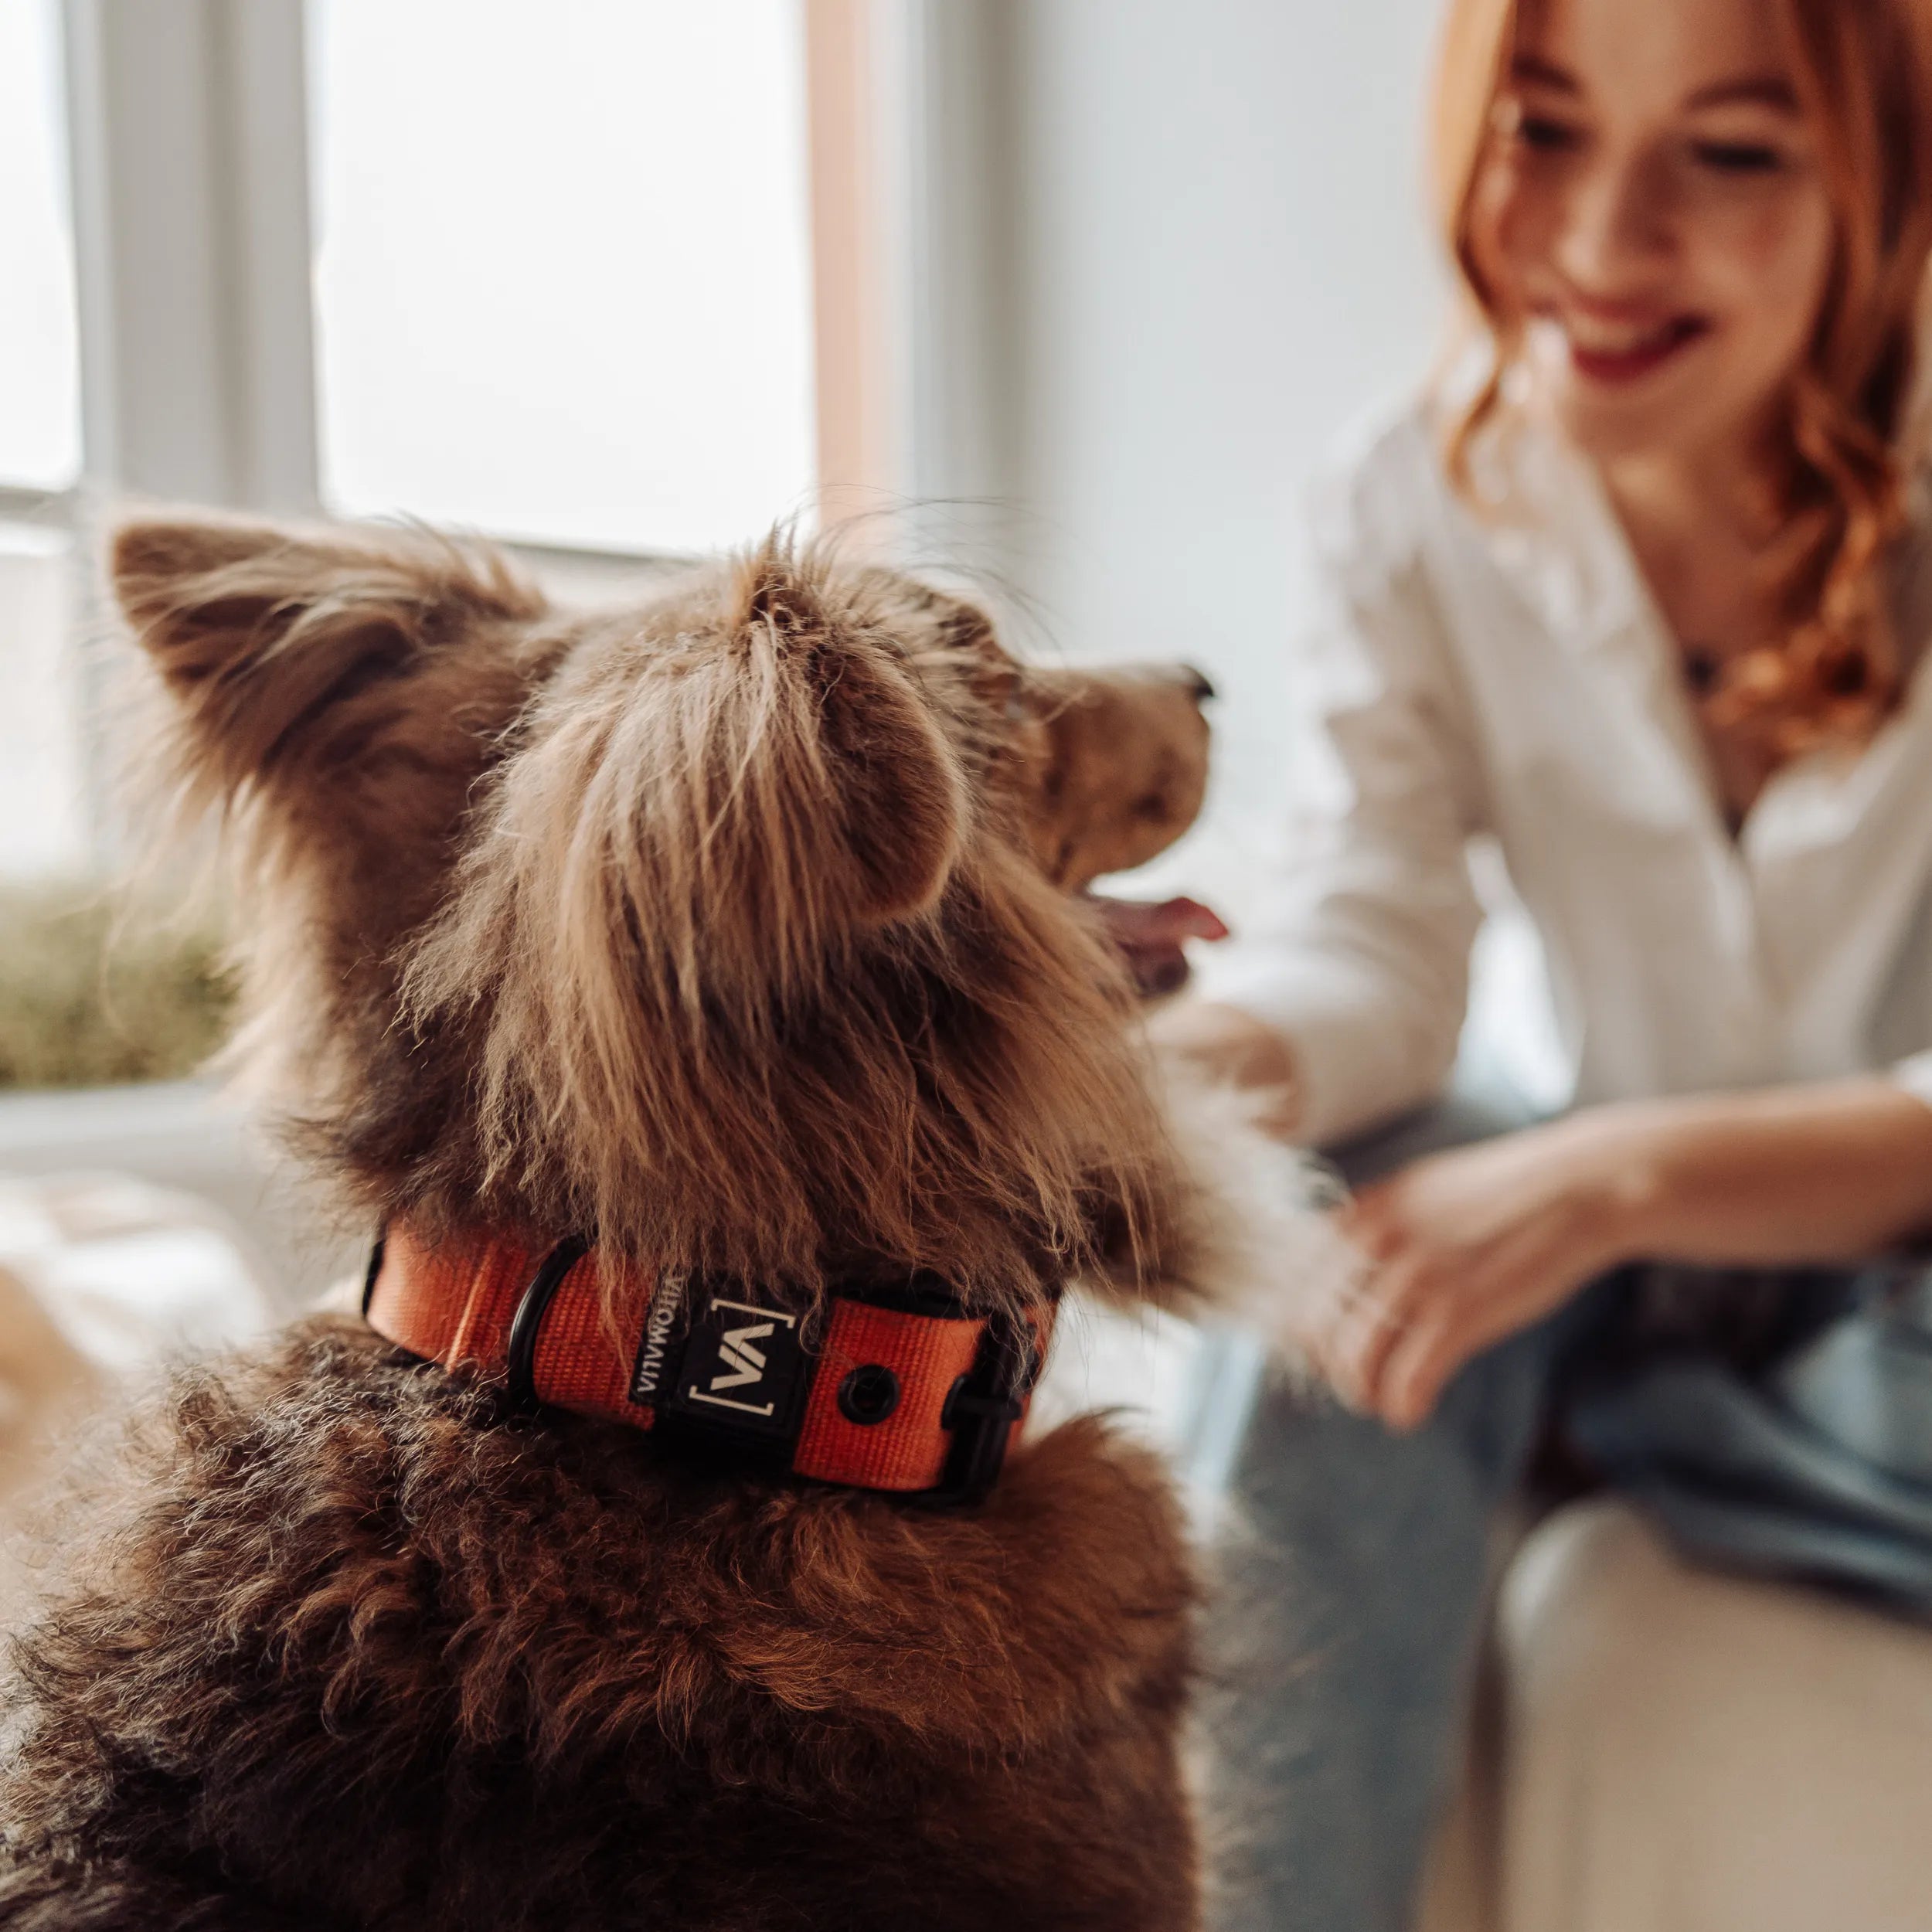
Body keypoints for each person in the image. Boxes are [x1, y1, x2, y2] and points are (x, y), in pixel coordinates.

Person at [1147, 0, 1932, 1925]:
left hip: (1874, 1276)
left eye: (1726, 154)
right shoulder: (1406, 496)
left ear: (1889, 172)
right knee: (1347, 1219)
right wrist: (1156, 1082)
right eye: (1544, 128)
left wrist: (1607, 1179)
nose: (1596, 240)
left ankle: (1680, 1434)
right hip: (1607, 1284)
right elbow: (1376, 938)